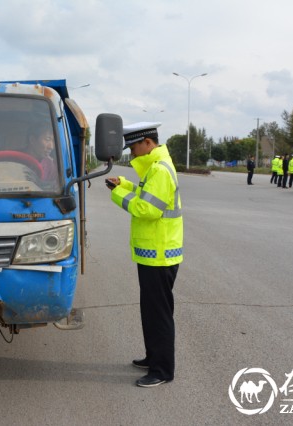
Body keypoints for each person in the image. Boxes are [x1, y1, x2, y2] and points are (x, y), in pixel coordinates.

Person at [105, 122, 183, 388]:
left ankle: (162, 370)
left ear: (148, 143)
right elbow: (144, 195)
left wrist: (117, 194)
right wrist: (125, 184)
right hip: (153, 255)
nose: (133, 154)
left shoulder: (160, 170)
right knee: (151, 312)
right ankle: (153, 357)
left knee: (158, 314)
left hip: (160, 256)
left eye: (135, 147)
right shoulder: (155, 169)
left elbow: (147, 209)